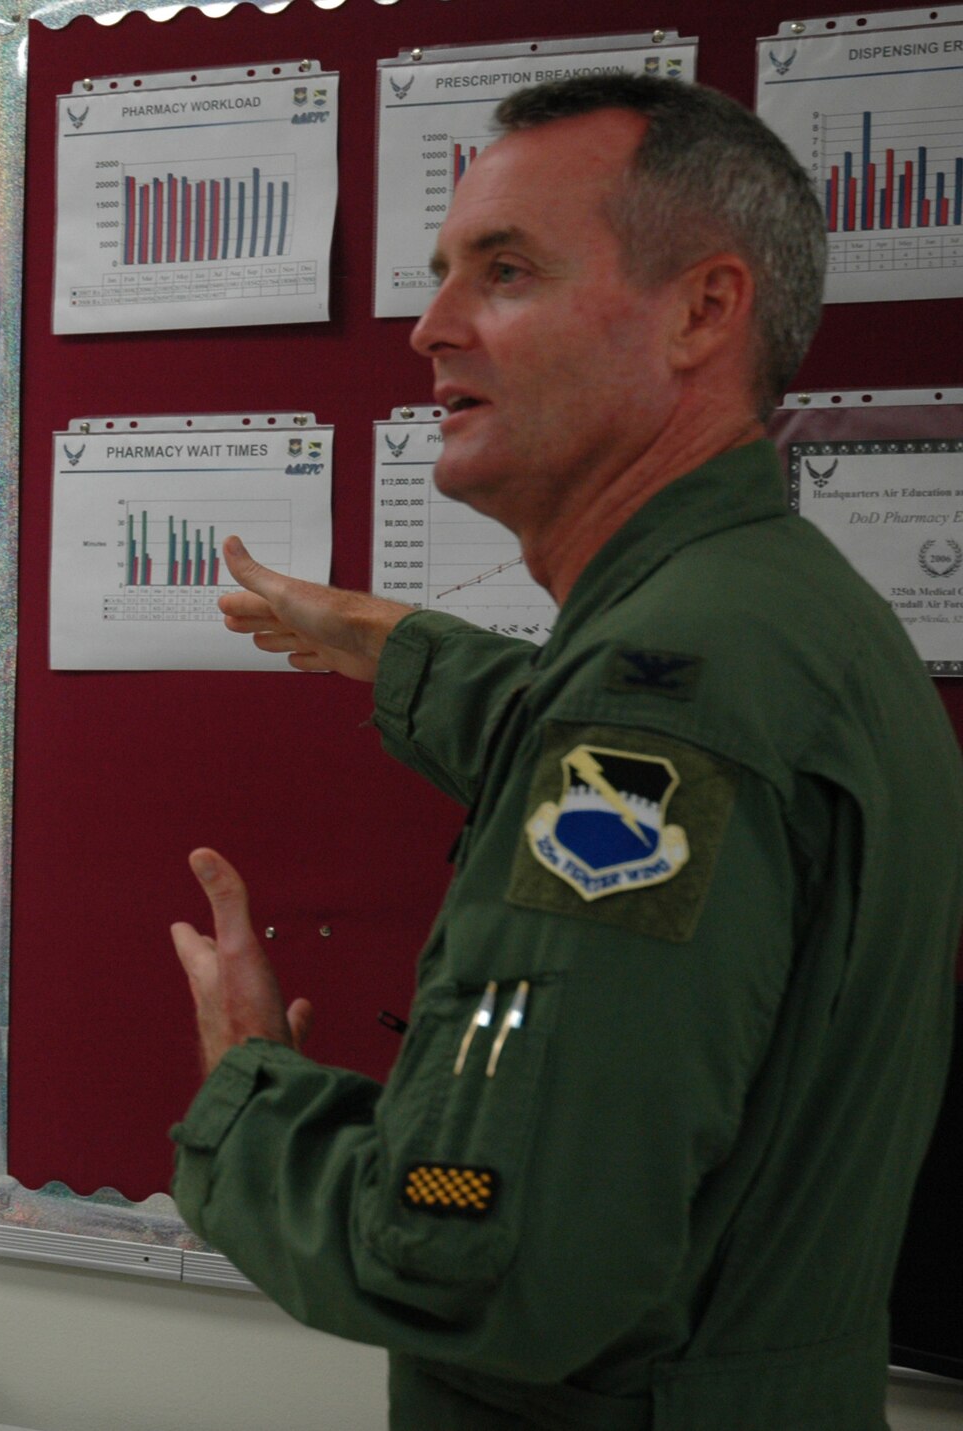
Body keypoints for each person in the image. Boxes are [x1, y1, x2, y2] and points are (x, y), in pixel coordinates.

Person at [168, 75, 963, 1428]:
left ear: (705, 311)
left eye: (508, 270)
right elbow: (629, 764)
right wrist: (397, 644)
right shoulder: (779, 616)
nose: (430, 327)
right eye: (442, 273)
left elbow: (488, 1250)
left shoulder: (667, 697)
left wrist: (249, 1092)